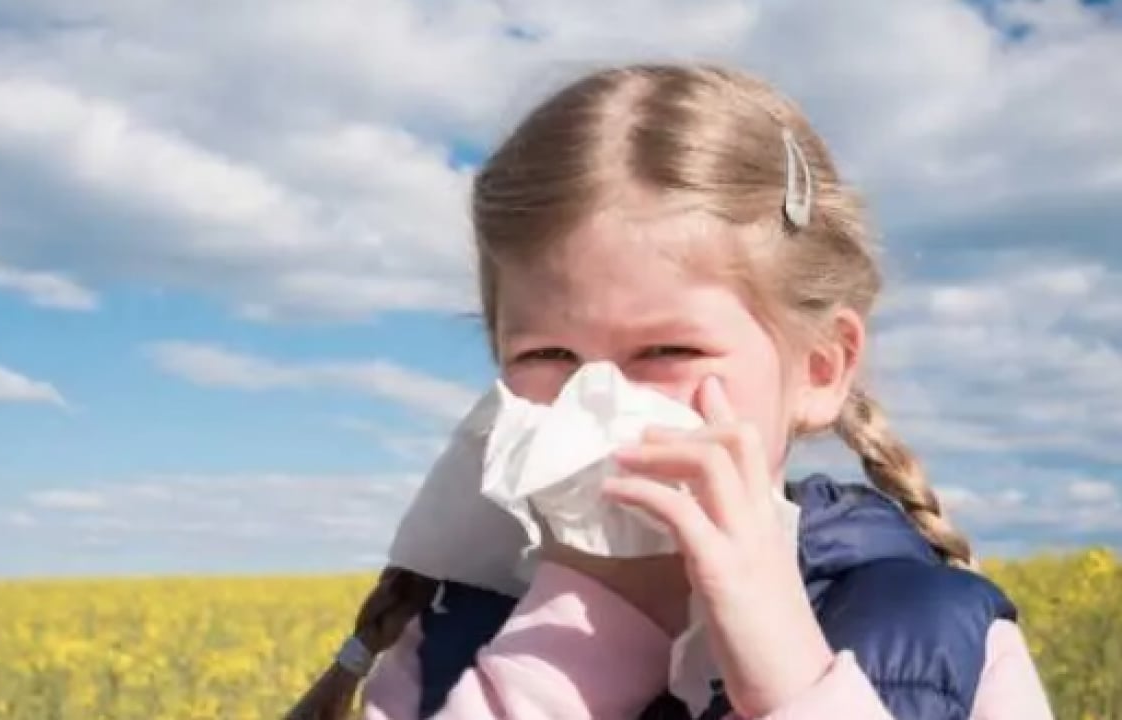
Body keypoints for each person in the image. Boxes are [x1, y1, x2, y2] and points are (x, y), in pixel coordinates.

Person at [293, 62, 1056, 719]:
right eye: (549, 352)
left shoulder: (938, 634)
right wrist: (574, 641)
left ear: (820, 369)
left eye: (667, 349)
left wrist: (793, 678)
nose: (597, 400)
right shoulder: (446, 638)